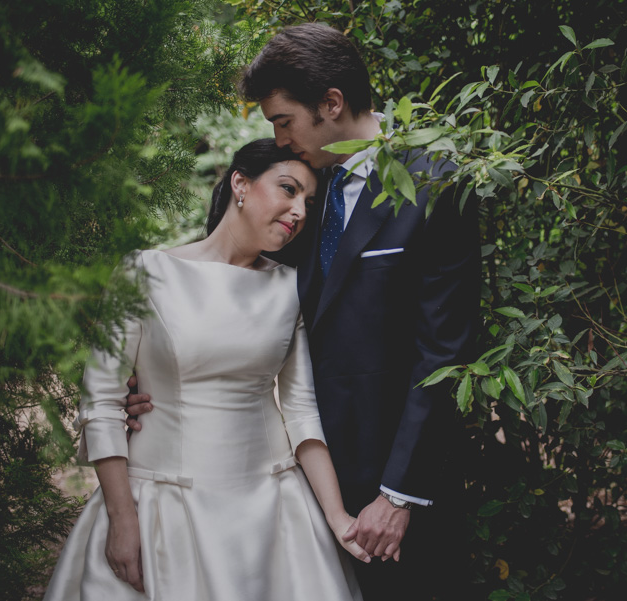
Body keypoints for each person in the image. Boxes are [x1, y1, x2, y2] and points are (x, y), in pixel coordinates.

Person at [127, 22, 480, 601]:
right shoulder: (289, 188)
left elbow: (445, 355)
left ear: (331, 104)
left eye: (283, 120)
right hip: (279, 482)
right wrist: (151, 377)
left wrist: (398, 495)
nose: (280, 138)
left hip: (384, 494)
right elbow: (226, 293)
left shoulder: (437, 184)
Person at [44, 139, 367, 601]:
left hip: (272, 512)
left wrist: (338, 520)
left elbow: (301, 412)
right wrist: (123, 519)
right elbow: (102, 401)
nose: (298, 210)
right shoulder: (145, 272)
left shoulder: (291, 288)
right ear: (241, 183)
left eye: (308, 203)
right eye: (288, 189)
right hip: (160, 508)